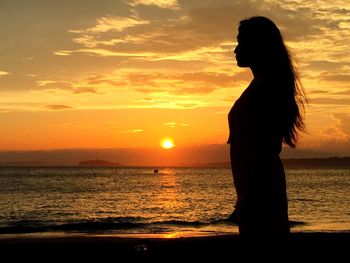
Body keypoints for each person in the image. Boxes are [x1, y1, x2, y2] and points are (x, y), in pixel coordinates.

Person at [227, 16, 307, 249]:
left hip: (261, 191)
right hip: (256, 188)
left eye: (241, 42)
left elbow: (263, 147)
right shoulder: (262, 84)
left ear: (257, 45)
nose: (235, 49)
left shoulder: (267, 86)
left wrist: (249, 197)